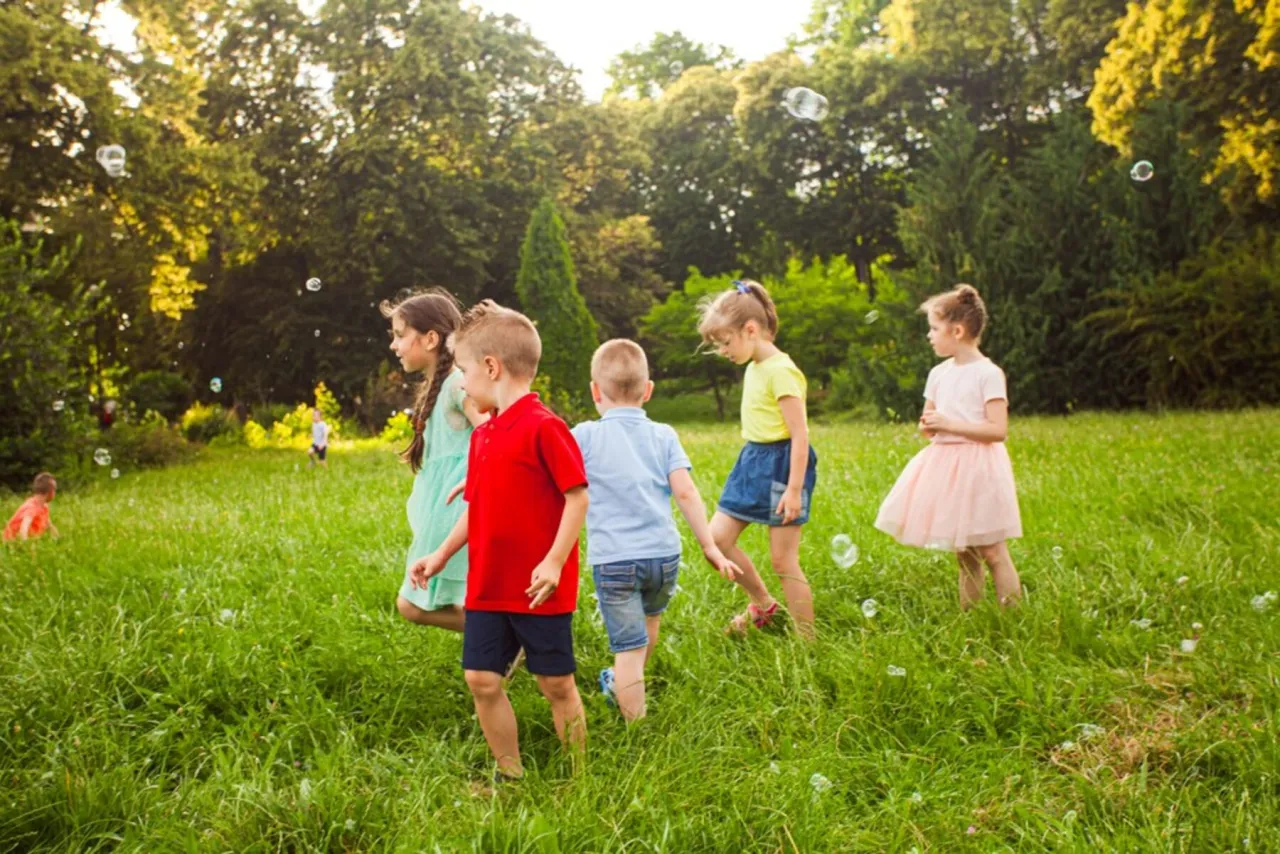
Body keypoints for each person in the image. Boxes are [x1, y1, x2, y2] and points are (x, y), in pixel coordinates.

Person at [411, 300, 588, 783]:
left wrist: (554, 562)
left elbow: (577, 497)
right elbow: (477, 506)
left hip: (539, 588)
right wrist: (441, 553)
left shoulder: (545, 428)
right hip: (487, 584)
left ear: (492, 367)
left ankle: (577, 779)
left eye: (465, 370)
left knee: (556, 684)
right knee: (482, 679)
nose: (462, 382)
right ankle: (511, 777)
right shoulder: (482, 435)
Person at [571, 339, 740, 721]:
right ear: (648, 391)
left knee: (627, 651)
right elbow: (685, 491)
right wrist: (711, 547)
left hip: (615, 560)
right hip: (663, 556)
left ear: (595, 392)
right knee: (650, 624)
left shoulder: (584, 436)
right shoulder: (664, 435)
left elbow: (549, 474)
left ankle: (636, 725)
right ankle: (634, 682)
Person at [874, 284, 1023, 608]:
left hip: (980, 468)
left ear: (957, 330)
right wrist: (928, 426)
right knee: (964, 552)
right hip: (947, 468)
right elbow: (930, 419)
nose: (929, 335)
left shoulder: (988, 374)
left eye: (934, 328)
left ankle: (1015, 619)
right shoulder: (938, 374)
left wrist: (949, 424)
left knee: (993, 551)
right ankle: (971, 618)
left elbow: (998, 430)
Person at [697, 279, 819, 639]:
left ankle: (807, 640)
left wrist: (794, 489)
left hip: (783, 465)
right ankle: (763, 604)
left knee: (783, 561)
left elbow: (801, 435)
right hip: (752, 459)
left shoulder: (781, 370)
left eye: (725, 342)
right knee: (716, 539)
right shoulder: (755, 366)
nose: (722, 351)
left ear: (750, 330)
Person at [382, 289, 487, 633]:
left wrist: (478, 477)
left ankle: (504, 634)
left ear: (430, 339)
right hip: (444, 508)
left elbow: (495, 434)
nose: (394, 346)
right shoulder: (438, 385)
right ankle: (504, 636)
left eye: (400, 335)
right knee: (432, 600)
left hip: (458, 506)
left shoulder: (458, 383)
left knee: (410, 603)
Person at [3, 472, 59, 542]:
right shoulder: (31, 507)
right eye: (55, 490)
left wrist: (58, 538)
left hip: (28, 539)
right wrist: (26, 547)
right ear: (50, 492)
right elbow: (23, 529)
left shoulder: (43, 506)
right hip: (12, 542)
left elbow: (49, 525)